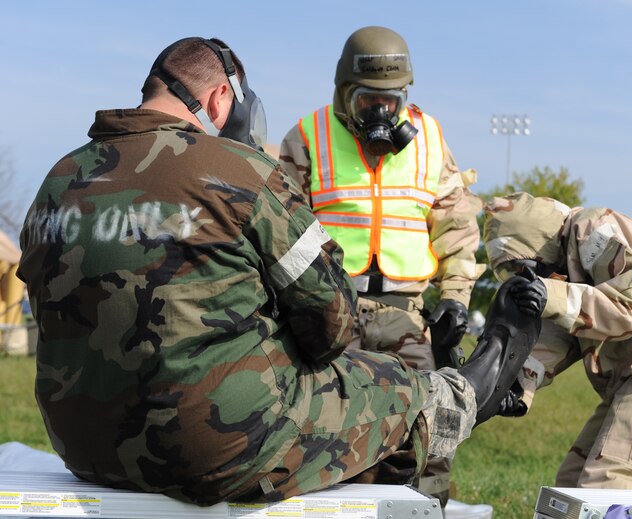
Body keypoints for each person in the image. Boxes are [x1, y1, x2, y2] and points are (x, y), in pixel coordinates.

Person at [17, 36, 538, 508]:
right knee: (397, 387)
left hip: (84, 447)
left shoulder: (59, 180)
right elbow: (334, 325)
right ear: (221, 99)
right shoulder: (240, 171)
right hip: (215, 448)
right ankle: (468, 392)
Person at [278, 26, 483, 508]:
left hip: (406, 314)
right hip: (331, 310)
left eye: (393, 101)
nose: (382, 112)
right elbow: (282, 229)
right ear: (344, 93)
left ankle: (425, 512)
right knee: (325, 427)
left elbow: (457, 232)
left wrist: (455, 300)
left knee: (430, 427)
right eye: (369, 100)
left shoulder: (430, 140)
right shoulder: (308, 137)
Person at [482, 192, 632, 490]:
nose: (521, 277)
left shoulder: (592, 228)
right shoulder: (567, 265)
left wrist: (551, 295)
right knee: (570, 485)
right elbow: (562, 333)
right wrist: (516, 385)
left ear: (538, 242)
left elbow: (626, 310)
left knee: (609, 488)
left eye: (520, 266)